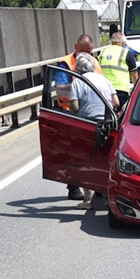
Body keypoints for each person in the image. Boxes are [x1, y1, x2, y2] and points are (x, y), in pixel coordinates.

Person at [71, 52, 117, 209]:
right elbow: (116, 102)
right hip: (107, 124)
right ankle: (106, 198)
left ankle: (88, 201)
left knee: (88, 161)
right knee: (104, 160)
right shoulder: (104, 79)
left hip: (87, 125)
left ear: (78, 68)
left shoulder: (78, 82)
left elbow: (74, 107)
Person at [54, 34, 96, 200]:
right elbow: (61, 91)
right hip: (71, 113)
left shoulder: (94, 62)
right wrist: (81, 84)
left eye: (89, 51)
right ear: (75, 46)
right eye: (82, 50)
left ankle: (97, 186)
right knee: (74, 153)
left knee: (95, 152)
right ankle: (73, 188)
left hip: (92, 113)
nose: (86, 54)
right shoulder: (65, 63)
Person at [95, 31, 138, 109]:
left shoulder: (102, 52)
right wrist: (137, 88)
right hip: (120, 89)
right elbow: (134, 74)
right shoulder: (127, 53)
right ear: (123, 43)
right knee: (121, 115)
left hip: (104, 89)